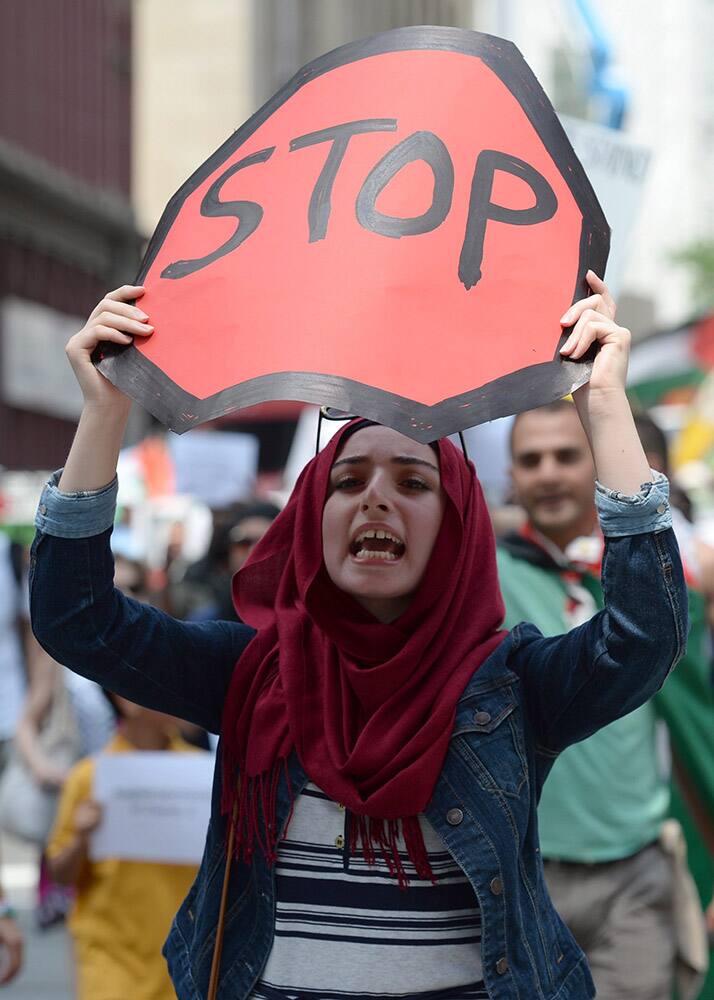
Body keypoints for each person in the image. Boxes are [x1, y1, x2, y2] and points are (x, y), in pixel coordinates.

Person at [28, 272, 687, 1000]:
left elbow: (642, 636)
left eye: (412, 482)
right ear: (312, 516)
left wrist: (603, 407)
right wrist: (104, 412)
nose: (375, 495)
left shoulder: (512, 686)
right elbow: (78, 619)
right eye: (347, 481)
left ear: (459, 527)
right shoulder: (249, 673)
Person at [498, 400, 709, 1000]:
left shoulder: (658, 583)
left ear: (597, 463)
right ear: (512, 476)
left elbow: (696, 731)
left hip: (635, 874)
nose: (548, 473)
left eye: (566, 455)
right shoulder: (484, 578)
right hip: (524, 876)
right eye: (530, 460)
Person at [46, 693, 199, 1000]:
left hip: (184, 964)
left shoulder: (200, 773)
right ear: (126, 699)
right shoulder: (89, 776)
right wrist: (81, 837)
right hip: (111, 964)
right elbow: (60, 876)